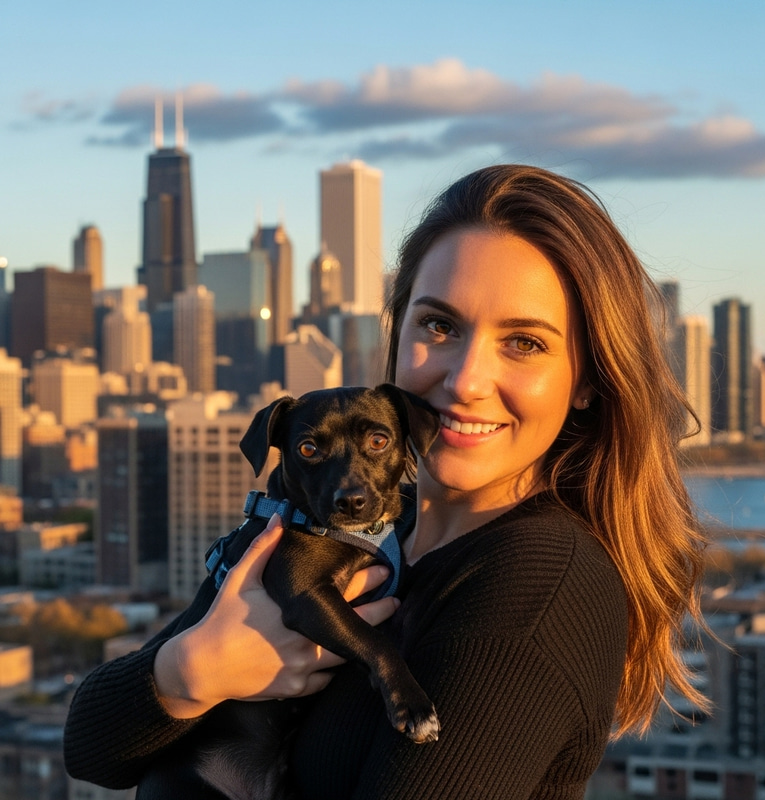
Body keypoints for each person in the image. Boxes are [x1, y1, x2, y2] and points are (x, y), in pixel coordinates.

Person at [64, 164, 708, 799]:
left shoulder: (534, 586)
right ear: (397, 332)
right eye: (439, 326)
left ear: (589, 378)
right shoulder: (359, 524)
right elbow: (88, 750)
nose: (464, 380)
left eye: (524, 343)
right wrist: (191, 670)